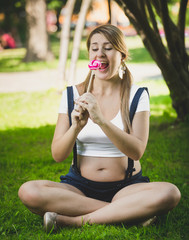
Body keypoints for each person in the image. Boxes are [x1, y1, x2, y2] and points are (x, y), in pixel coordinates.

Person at [18, 24, 181, 232]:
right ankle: (129, 213)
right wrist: (76, 127)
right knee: (29, 191)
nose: (100, 53)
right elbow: (58, 154)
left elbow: (137, 150)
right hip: (79, 188)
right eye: (94, 48)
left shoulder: (137, 95)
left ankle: (73, 221)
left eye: (108, 48)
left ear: (122, 55)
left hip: (127, 187)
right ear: (90, 56)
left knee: (170, 193)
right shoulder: (73, 94)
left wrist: (102, 120)